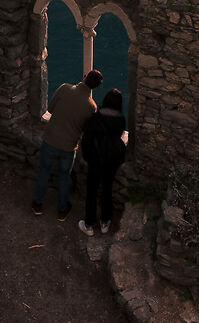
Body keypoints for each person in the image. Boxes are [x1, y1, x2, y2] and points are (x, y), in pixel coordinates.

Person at [33, 67, 101, 218]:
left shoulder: (64, 89)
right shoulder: (92, 106)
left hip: (50, 139)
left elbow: (50, 109)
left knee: (44, 171)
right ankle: (62, 210)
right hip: (69, 147)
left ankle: (38, 204)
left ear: (84, 77)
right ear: (95, 87)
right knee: (64, 177)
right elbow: (86, 130)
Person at [78, 88, 130, 235]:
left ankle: (89, 225)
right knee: (107, 189)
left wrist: (86, 157)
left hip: (95, 158)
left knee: (92, 191)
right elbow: (118, 136)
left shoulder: (95, 118)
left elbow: (86, 140)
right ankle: (105, 222)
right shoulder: (120, 120)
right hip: (112, 160)